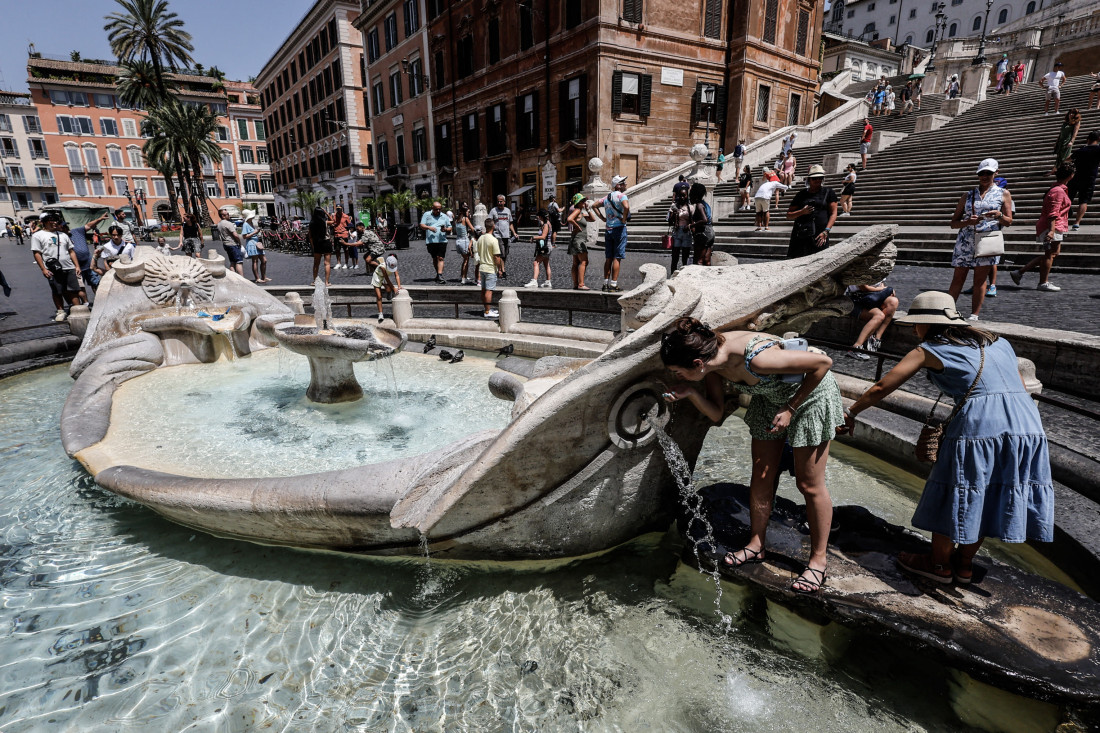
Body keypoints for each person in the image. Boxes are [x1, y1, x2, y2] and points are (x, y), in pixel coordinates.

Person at [838, 291, 1054, 584]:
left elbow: (882, 386)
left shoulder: (929, 349)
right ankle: (964, 564)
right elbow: (1015, 386)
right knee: (990, 492)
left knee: (958, 489)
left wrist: (851, 412)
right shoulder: (997, 341)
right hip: (1027, 423)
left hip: (981, 424)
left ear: (927, 324)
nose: (914, 330)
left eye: (915, 324)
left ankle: (938, 565)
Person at [660, 317, 844, 593]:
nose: (677, 376)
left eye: (679, 372)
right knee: (761, 475)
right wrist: (689, 392)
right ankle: (756, 545)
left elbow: (823, 365)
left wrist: (790, 409)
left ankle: (818, 561)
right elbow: (717, 414)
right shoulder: (712, 364)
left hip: (808, 398)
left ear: (696, 364)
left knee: (808, 483)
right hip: (770, 399)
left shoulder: (758, 360)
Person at [948, 158, 1013, 321]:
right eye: (981, 173)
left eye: (988, 173)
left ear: (996, 173)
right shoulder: (968, 195)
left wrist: (999, 216)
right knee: (958, 278)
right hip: (965, 241)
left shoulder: (1003, 193)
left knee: (980, 280)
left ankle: (974, 315)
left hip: (987, 241)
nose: (984, 176)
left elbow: (1009, 221)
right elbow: (953, 223)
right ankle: (948, 310)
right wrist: (968, 222)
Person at [1012, 161, 1073, 292]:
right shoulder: (1058, 191)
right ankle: (1042, 282)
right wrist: (1051, 231)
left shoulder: (1059, 189)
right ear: (1071, 176)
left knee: (1052, 253)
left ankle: (1020, 272)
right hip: (1052, 226)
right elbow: (1053, 212)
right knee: (1050, 254)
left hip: (1056, 225)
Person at [31, 212, 82, 322]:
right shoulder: (37, 236)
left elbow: (71, 251)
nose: (55, 223)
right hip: (52, 269)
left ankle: (78, 310)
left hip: (68, 267)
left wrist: (77, 266)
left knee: (73, 290)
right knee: (57, 291)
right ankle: (60, 311)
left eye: (56, 220)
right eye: (52, 220)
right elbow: (37, 253)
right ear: (44, 222)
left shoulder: (63, 235)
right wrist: (43, 269)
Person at [785, 165, 838, 259]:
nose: (818, 180)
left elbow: (833, 213)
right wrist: (802, 212)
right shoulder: (801, 195)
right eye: (814, 178)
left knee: (819, 262)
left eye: (820, 178)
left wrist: (826, 231)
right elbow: (789, 215)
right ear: (809, 179)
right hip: (801, 234)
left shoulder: (828, 192)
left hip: (820, 235)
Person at [593, 174, 630, 292]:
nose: (625, 184)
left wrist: (603, 218)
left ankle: (605, 283)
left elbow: (594, 205)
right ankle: (613, 284)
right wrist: (624, 219)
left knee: (608, 257)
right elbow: (626, 207)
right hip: (619, 229)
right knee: (617, 257)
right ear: (618, 185)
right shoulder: (622, 196)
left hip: (608, 229)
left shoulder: (607, 198)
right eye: (623, 183)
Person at [846, 282, 898, 359]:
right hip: (856, 298)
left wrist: (884, 291)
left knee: (893, 301)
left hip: (872, 297)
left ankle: (876, 339)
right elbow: (864, 288)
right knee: (879, 316)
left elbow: (881, 283)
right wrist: (886, 289)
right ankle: (855, 347)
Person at [68, 211, 108, 291]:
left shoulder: (76, 231)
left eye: (65, 226)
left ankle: (98, 300)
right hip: (76, 266)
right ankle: (85, 303)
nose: (64, 228)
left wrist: (100, 219)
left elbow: (89, 225)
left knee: (95, 283)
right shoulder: (61, 237)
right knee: (80, 287)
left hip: (89, 263)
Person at [1069, 130, 1100, 231]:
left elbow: (1068, 159)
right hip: (1090, 178)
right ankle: (1077, 223)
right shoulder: (1098, 149)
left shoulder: (1081, 150)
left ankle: (1064, 217)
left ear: (1088, 139)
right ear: (1098, 139)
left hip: (1076, 177)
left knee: (1068, 198)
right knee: (1084, 201)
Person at [420, 199, 452, 284]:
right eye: (436, 209)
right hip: (431, 241)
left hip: (442, 240)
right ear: (432, 208)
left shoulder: (444, 216)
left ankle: (440, 275)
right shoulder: (426, 215)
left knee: (440, 257)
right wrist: (429, 228)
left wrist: (445, 229)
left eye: (439, 209)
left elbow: (450, 227)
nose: (438, 211)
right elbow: (422, 225)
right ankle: (438, 274)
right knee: (434, 258)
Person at [566, 193, 594, 290]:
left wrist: (588, 209)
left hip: (576, 239)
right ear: (578, 203)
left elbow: (593, 219)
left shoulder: (581, 213)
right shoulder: (577, 210)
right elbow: (569, 219)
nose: (584, 202)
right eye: (582, 201)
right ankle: (581, 284)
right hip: (578, 240)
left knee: (576, 263)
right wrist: (577, 226)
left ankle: (575, 284)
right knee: (584, 261)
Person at [475, 225, 503, 318]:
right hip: (490, 268)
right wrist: (500, 268)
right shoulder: (493, 240)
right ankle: (487, 312)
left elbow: (478, 251)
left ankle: (487, 309)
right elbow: (496, 257)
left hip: (482, 267)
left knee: (483, 290)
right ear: (493, 226)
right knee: (489, 291)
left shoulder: (480, 238)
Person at [490, 195, 517, 278]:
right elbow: (489, 222)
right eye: (498, 201)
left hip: (506, 235)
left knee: (505, 254)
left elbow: (510, 223)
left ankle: (500, 269)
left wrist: (514, 233)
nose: (499, 203)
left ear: (504, 202)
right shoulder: (493, 210)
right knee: (501, 253)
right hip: (497, 235)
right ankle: (503, 270)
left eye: (501, 201)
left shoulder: (508, 210)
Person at [526, 210, 553, 288]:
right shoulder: (547, 224)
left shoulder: (546, 225)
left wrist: (533, 238)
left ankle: (534, 281)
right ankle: (548, 281)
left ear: (541, 217)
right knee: (546, 264)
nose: (537, 218)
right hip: (548, 245)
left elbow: (543, 236)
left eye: (538, 217)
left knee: (536, 262)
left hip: (545, 246)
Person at [667, 193, 693, 273]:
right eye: (680, 195)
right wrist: (673, 214)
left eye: (684, 195)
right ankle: (672, 274)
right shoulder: (674, 207)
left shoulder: (690, 207)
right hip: (677, 232)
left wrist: (689, 226)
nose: (682, 197)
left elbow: (692, 220)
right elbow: (670, 222)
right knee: (675, 256)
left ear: (687, 196)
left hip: (686, 233)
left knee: (685, 256)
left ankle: (684, 274)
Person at [689, 182, 713, 266]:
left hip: (703, 233)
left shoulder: (699, 205)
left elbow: (704, 220)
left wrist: (691, 226)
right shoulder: (705, 204)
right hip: (710, 232)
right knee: (707, 260)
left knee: (698, 260)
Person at [371, 254, 400, 323]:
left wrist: (399, 286)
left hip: (384, 277)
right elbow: (387, 278)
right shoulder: (382, 267)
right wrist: (394, 288)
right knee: (379, 296)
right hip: (377, 276)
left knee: (388, 289)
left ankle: (389, 292)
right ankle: (380, 314)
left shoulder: (394, 264)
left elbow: (397, 275)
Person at [451, 202, 476, 285]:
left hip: (458, 241)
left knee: (464, 260)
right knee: (466, 260)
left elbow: (461, 229)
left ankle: (462, 275)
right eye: (468, 212)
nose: (469, 213)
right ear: (465, 212)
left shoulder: (457, 220)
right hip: (464, 241)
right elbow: (473, 229)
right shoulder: (465, 219)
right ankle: (463, 278)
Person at [1051, 109, 1081, 174]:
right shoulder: (1065, 123)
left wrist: (1071, 141)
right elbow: (1060, 133)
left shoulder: (1076, 123)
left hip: (1067, 141)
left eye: (1073, 113)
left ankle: (1064, 170)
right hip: (1061, 141)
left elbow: (1075, 133)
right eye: (1070, 113)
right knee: (1059, 156)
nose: (1071, 114)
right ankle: (1055, 169)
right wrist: (1056, 142)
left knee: (1065, 156)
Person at [241, 210, 268, 283]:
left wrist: (257, 232)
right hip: (251, 243)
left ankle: (264, 276)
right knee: (255, 261)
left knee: (264, 260)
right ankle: (257, 278)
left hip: (257, 242)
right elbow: (244, 236)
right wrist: (254, 232)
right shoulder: (245, 224)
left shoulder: (251, 223)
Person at [216, 208, 244, 276]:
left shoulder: (219, 224)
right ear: (223, 216)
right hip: (232, 244)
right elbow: (235, 235)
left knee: (232, 262)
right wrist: (239, 242)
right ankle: (242, 278)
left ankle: (233, 277)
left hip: (226, 244)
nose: (229, 215)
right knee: (238, 262)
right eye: (227, 214)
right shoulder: (228, 223)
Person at [309, 206, 333, 286]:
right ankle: (326, 282)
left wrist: (313, 246)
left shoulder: (312, 224)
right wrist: (326, 212)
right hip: (326, 242)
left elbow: (310, 237)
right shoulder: (325, 222)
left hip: (317, 243)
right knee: (327, 263)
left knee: (316, 264)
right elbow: (333, 221)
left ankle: (315, 281)